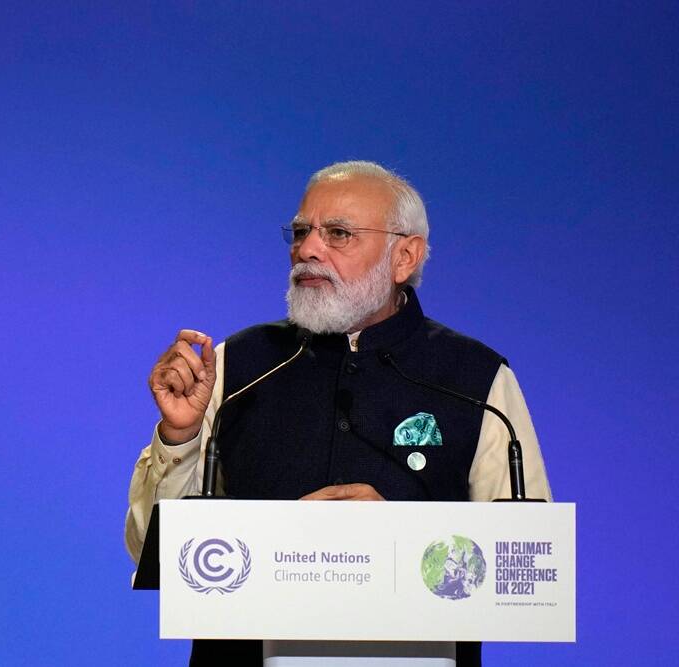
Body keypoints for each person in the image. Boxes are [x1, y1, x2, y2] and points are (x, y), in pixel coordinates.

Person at [125, 161, 552, 667]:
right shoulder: (236, 366)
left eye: (339, 234)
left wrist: (397, 541)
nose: (307, 249)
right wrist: (181, 435)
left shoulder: (477, 380)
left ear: (404, 256)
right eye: (302, 231)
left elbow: (523, 572)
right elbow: (149, 551)